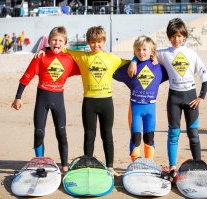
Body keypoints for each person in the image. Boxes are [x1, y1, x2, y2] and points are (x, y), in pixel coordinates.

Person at [37, 26, 129, 176]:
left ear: (104, 41)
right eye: (92, 42)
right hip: (89, 102)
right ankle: (88, 164)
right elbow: (61, 49)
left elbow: (132, 62)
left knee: (107, 134)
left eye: (99, 42)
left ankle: (110, 166)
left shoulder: (113, 58)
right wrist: (45, 49)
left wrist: (142, 59)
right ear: (88, 42)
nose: (96, 45)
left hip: (106, 102)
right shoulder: (82, 56)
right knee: (89, 135)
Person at [128, 18, 207, 180]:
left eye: (179, 36)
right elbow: (145, 53)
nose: (176, 39)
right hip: (174, 99)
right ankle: (173, 167)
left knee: (193, 134)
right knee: (173, 134)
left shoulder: (191, 54)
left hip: (191, 98)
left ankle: (198, 163)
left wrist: (201, 97)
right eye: (173, 36)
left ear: (184, 36)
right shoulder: (163, 53)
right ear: (169, 37)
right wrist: (133, 60)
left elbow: (205, 76)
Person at [11, 26, 80, 174]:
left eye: (60, 40)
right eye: (54, 40)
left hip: (58, 100)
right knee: (39, 132)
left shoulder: (69, 60)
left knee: (61, 133)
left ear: (65, 43)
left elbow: (87, 68)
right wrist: (18, 97)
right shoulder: (40, 57)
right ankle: (39, 163)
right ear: (49, 41)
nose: (57, 43)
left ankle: (65, 167)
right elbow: (26, 77)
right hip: (42, 99)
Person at [113, 36, 168, 162]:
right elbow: (111, 67)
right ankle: (136, 160)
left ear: (152, 52)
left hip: (151, 110)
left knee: (149, 137)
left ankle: (149, 161)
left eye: (145, 49)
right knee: (136, 136)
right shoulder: (130, 68)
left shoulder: (159, 68)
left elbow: (172, 63)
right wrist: (133, 61)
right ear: (134, 51)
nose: (141, 52)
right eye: (138, 50)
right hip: (135, 109)